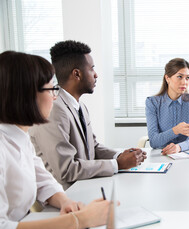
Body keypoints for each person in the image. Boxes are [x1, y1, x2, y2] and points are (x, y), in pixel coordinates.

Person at [0, 51, 109, 229]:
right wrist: (81, 220)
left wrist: (64, 201)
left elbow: (43, 181)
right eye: (51, 89)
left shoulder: (19, 136)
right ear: (25, 95)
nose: (54, 97)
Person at [29, 40, 146, 190]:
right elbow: (66, 170)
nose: (96, 74)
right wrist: (117, 164)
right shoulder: (53, 110)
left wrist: (121, 155)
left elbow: (93, 147)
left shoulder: (79, 105)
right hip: (67, 195)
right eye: (92, 69)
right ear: (77, 74)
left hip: (85, 185)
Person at [145, 58, 189, 155]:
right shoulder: (152, 102)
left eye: (187, 78)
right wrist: (175, 130)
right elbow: (154, 142)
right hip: (161, 155)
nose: (184, 82)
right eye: (180, 77)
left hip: (186, 154)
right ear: (167, 78)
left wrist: (179, 147)